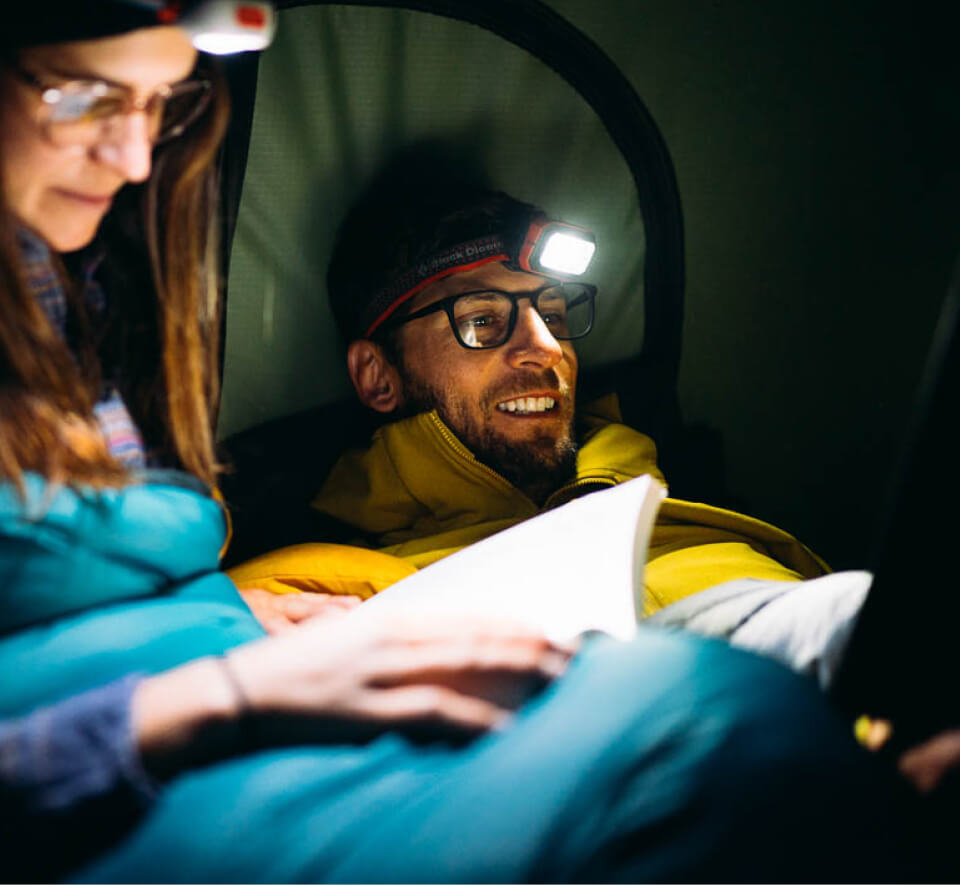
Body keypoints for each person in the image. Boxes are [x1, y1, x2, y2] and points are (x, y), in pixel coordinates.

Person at [0, 3, 919, 881]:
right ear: (376, 376)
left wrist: (240, 628)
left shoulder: (55, 300)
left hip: (219, 688)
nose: (132, 158)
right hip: (165, 756)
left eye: (164, 104)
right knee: (713, 719)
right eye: (485, 321)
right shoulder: (339, 557)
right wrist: (225, 686)